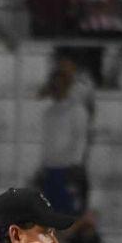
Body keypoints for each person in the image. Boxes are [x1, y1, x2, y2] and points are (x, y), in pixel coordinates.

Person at [36, 59, 89, 218]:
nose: (57, 88)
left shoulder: (76, 109)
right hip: (50, 166)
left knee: (67, 212)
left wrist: (76, 163)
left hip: (67, 167)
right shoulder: (49, 112)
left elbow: (80, 137)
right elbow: (47, 141)